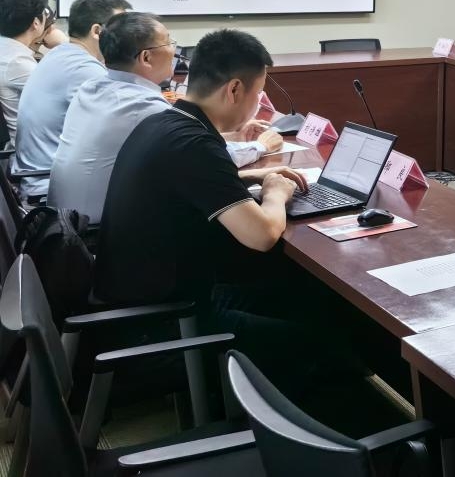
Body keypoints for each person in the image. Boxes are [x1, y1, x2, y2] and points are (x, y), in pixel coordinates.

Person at [94, 29, 319, 391]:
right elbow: (262, 235)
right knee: (315, 343)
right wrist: (275, 193)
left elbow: (189, 182)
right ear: (234, 90)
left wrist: (250, 176)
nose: (257, 104)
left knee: (300, 293)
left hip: (141, 296)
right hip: (165, 321)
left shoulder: (165, 122)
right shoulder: (194, 143)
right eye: (258, 94)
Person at [52, 13, 284, 223]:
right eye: (169, 42)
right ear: (146, 57)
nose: (174, 50)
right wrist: (260, 147)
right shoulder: (146, 109)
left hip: (65, 221)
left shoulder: (93, 86)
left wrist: (235, 140)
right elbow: (201, 159)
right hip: (94, 229)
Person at [14, 0, 130, 200]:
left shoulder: (61, 55)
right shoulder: (84, 69)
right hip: (50, 192)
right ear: (97, 31)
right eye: (122, 29)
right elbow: (127, 125)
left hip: (40, 180)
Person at [0, 0, 59, 146]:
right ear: (36, 23)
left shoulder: (6, 49)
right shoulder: (17, 62)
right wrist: (64, 45)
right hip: (28, 149)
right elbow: (66, 97)